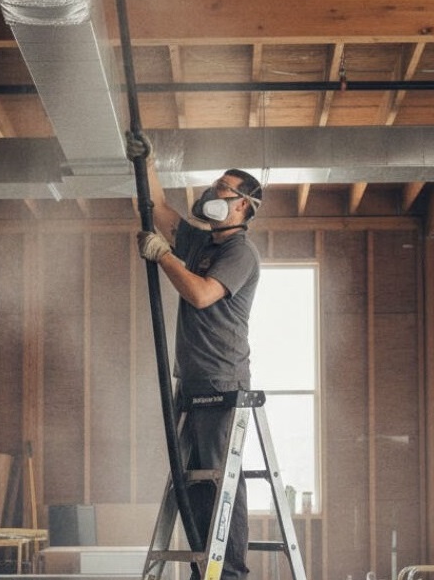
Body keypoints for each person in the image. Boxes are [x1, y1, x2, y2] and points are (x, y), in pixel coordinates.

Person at [126, 131, 263, 580]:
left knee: (224, 483)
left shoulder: (241, 253)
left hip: (224, 384)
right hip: (193, 382)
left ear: (241, 204)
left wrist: (165, 259)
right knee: (195, 486)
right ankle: (204, 569)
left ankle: (230, 575)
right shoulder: (202, 243)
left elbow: (202, 295)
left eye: (222, 189)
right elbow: (159, 211)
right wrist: (144, 164)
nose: (211, 193)